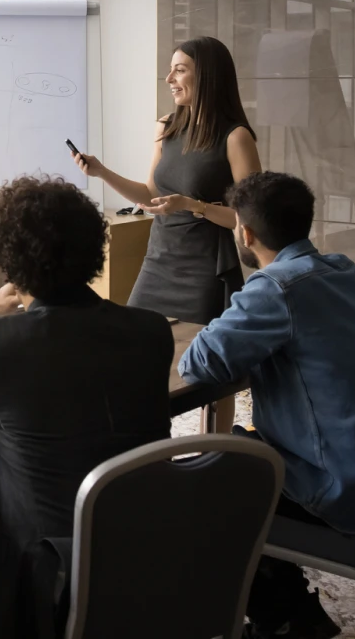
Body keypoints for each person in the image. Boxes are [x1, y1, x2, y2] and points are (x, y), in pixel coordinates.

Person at [0, 175, 174, 639]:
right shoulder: (151, 330)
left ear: (6, 257)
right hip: (148, 549)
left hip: (50, 571)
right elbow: (75, 397)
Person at [179, 171, 355, 639]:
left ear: (245, 233)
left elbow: (197, 364)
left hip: (346, 493)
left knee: (201, 486)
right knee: (234, 454)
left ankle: (285, 621)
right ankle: (295, 613)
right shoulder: (343, 269)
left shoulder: (275, 289)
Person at [73, 35, 261, 432]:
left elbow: (251, 220)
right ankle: (147, 443)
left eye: (180, 69)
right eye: (170, 69)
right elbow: (151, 194)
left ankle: (217, 449)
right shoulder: (166, 127)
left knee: (213, 369)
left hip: (204, 269)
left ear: (206, 76)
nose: (168, 78)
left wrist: (195, 206)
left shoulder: (235, 137)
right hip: (159, 259)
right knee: (133, 354)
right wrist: (102, 171)